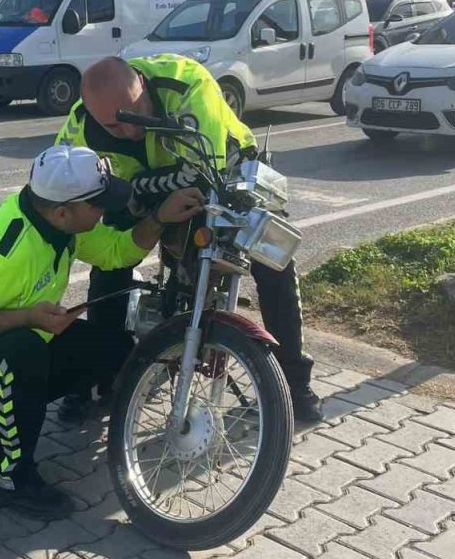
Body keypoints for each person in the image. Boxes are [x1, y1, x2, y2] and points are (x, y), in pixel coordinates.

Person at [0, 145, 204, 519]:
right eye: (97, 204)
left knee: (113, 348)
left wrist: (160, 217)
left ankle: (6, 418)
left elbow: (117, 252)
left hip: (3, 346)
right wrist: (28, 317)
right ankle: (5, 477)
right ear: (64, 211)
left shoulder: (58, 222)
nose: (105, 211)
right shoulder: (1, 255)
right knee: (23, 351)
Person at [55, 54, 323, 423]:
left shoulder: (188, 85)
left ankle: (295, 381)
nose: (131, 131)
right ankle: (103, 376)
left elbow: (201, 175)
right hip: (150, 191)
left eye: (135, 112)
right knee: (110, 259)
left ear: (142, 85)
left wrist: (133, 190)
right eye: (114, 128)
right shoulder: (80, 124)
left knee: (270, 249)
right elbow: (64, 188)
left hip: (222, 172)